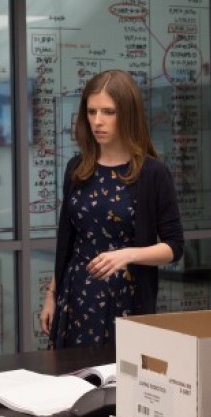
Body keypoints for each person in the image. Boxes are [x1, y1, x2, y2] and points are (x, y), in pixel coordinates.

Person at [40, 69, 184, 348]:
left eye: (108, 112)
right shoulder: (77, 168)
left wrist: (127, 255)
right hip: (76, 294)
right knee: (71, 372)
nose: (98, 121)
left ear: (128, 114)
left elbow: (174, 246)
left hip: (127, 300)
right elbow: (67, 243)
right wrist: (52, 294)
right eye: (91, 111)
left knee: (120, 373)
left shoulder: (153, 173)